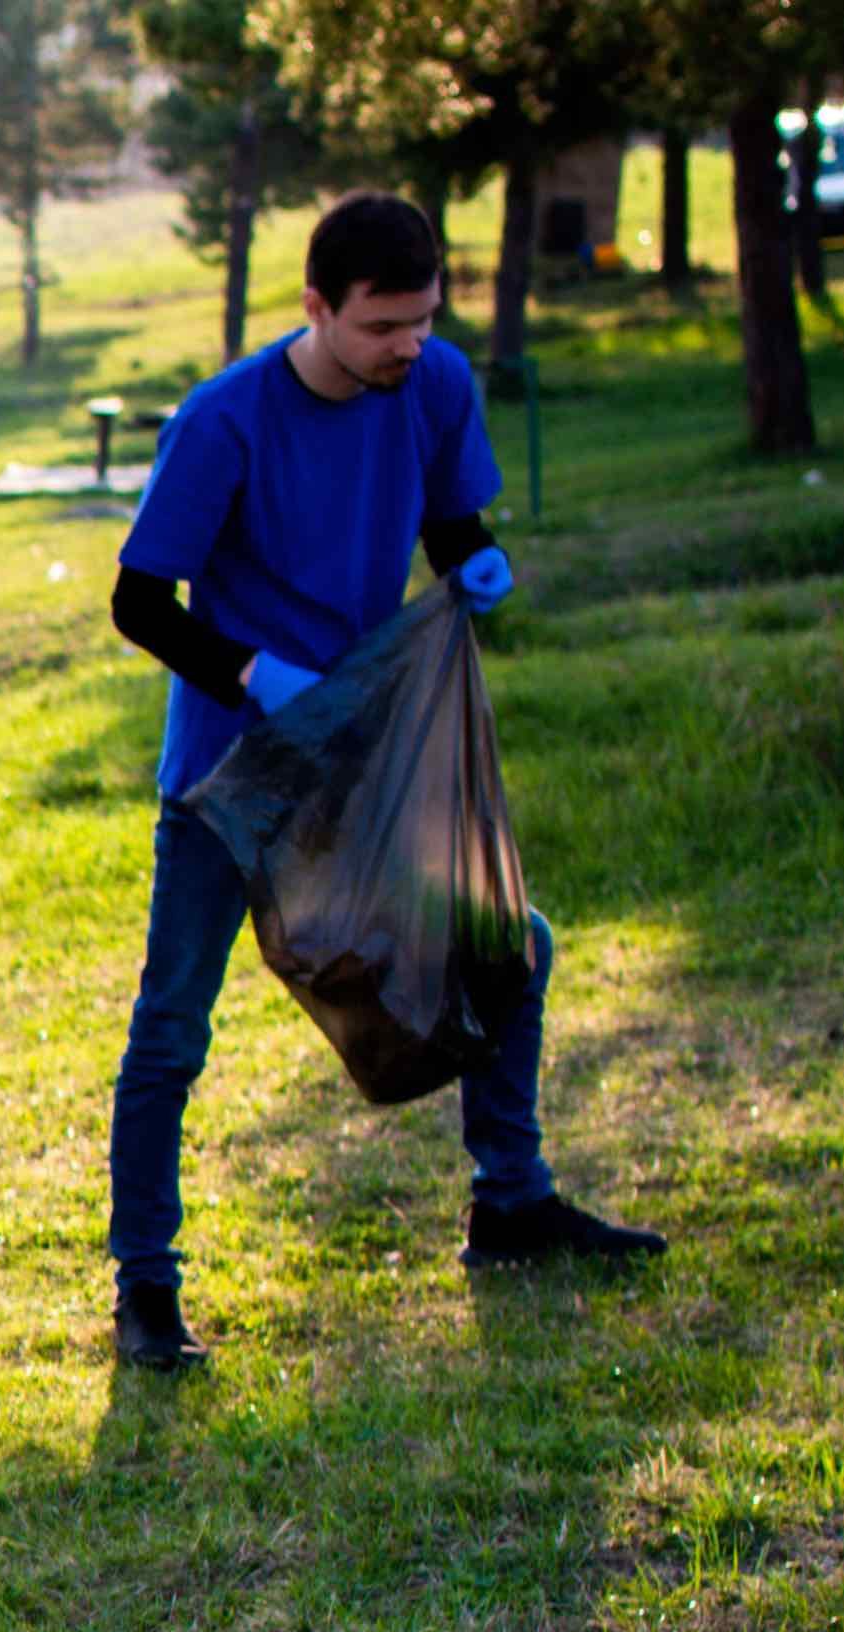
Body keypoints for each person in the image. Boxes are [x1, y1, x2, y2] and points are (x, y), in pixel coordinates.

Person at [102, 192, 662, 1369]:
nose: (407, 345)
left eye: (423, 320)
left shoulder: (434, 385)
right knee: (170, 1031)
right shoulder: (224, 424)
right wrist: (257, 675)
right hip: (232, 772)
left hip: (361, 749)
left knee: (513, 943)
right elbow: (138, 601)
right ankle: (146, 1288)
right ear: (317, 308)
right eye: (382, 327)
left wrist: (478, 558)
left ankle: (511, 1205)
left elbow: (451, 521)